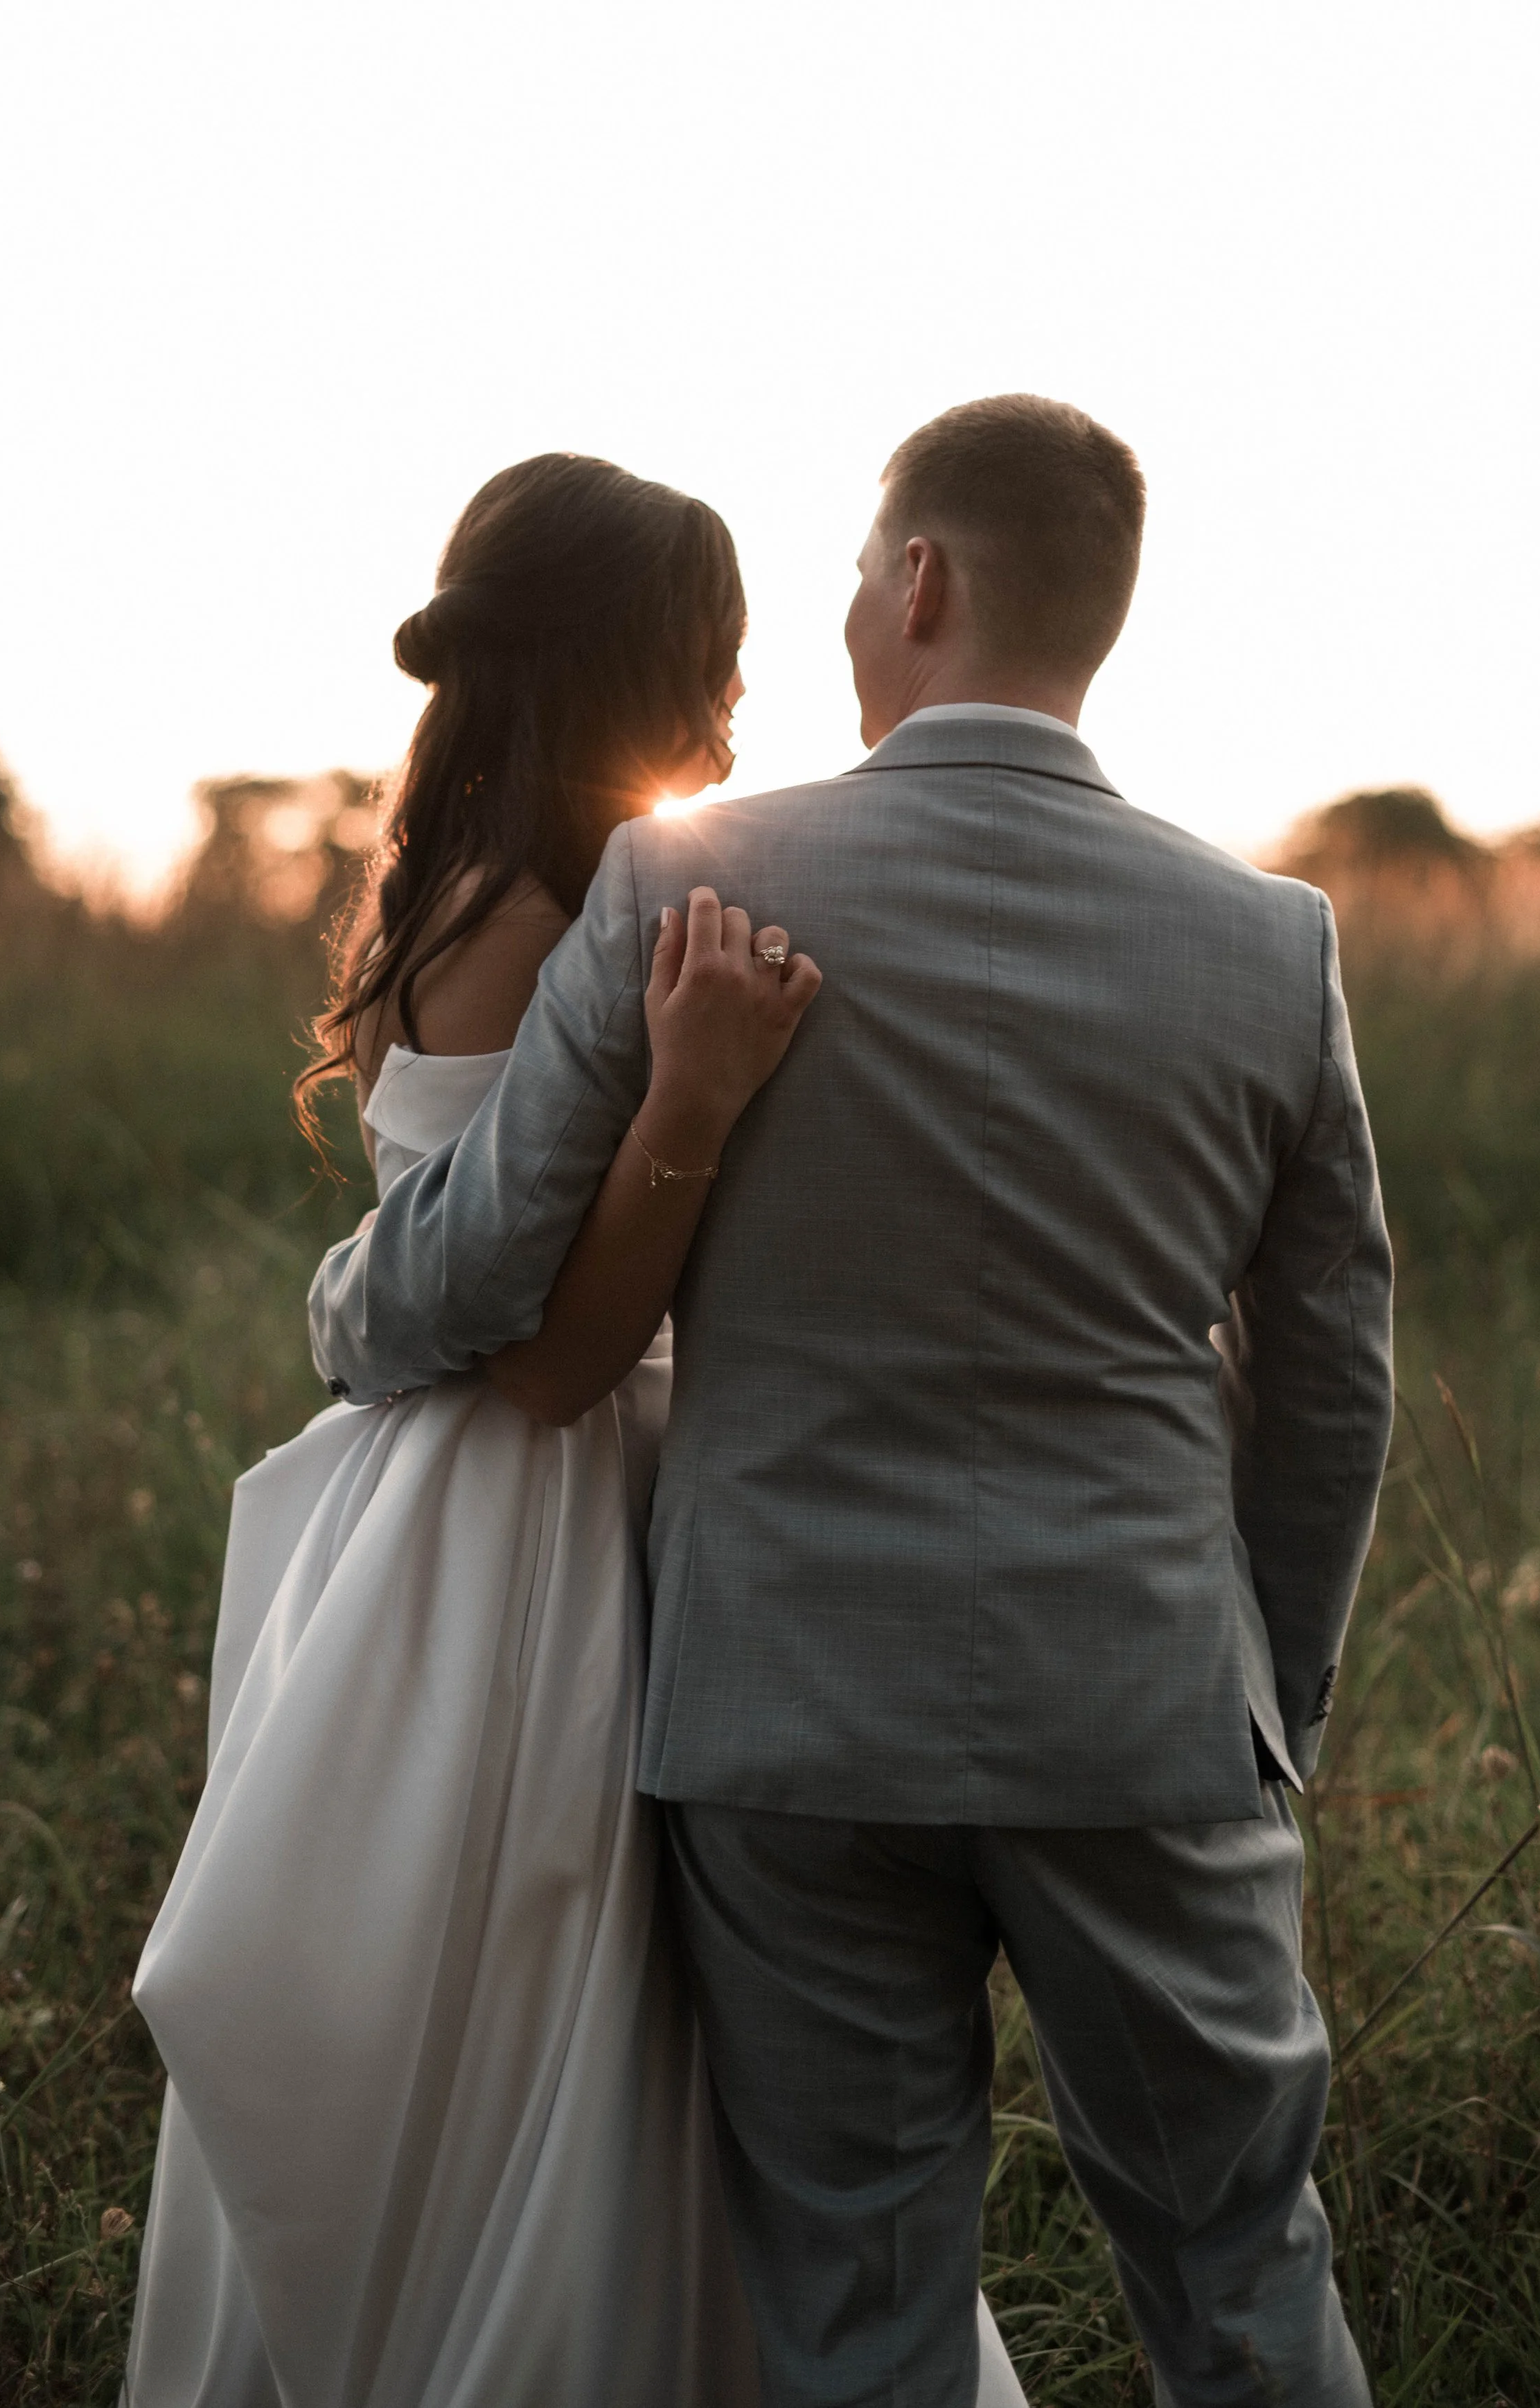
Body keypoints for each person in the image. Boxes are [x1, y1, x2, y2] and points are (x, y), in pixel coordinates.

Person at [311, 395, 1397, 2408]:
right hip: (1143, 1713)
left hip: (782, 1724)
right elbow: (1332, 1368)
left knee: (852, 2311)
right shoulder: (1270, 942)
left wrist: (335, 1301)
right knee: (1239, 2268)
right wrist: (1268, 1698)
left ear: (918, 579)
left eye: (849, 571)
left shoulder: (686, 882)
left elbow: (463, 1276)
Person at [122, 450, 1038, 2408]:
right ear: (622, 662)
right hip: (528, 1525)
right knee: (576, 2025)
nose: (732, 697)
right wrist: (696, 1096)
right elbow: (543, 1357)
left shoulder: (493, 873)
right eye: (704, 654)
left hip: (516, 1492)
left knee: (577, 2032)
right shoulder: (532, 915)